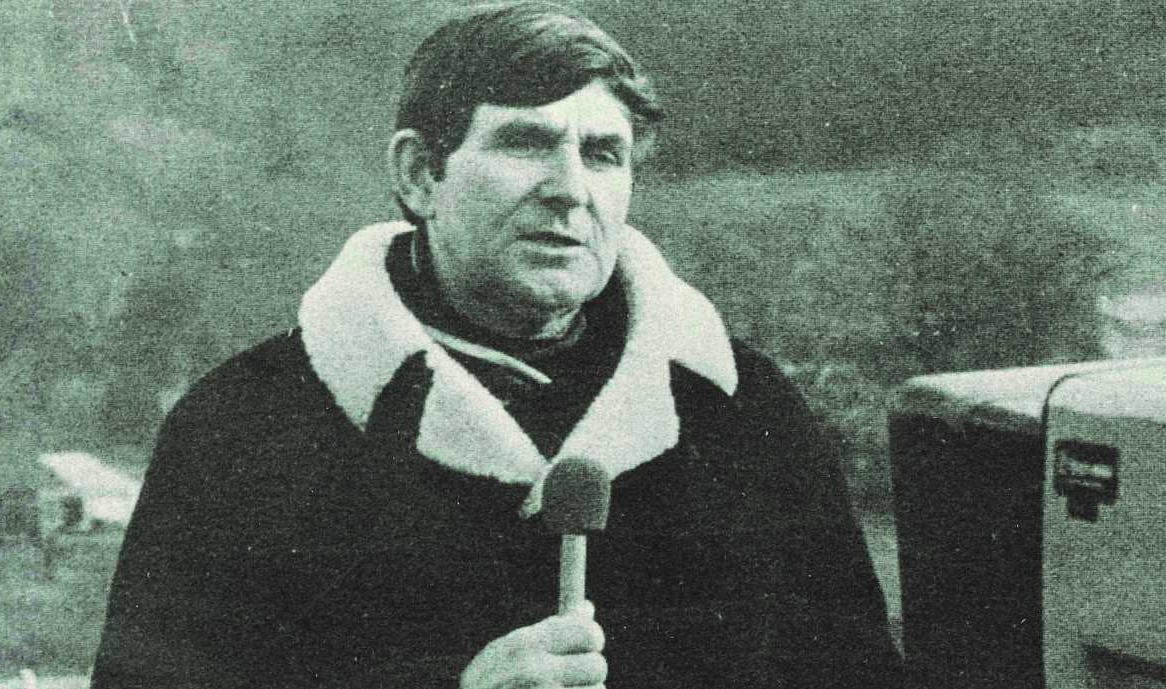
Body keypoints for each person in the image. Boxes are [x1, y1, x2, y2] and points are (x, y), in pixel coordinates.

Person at [90, 3, 901, 687]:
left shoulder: (743, 411)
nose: (570, 187)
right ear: (420, 177)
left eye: (602, 152)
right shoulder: (243, 427)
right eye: (523, 142)